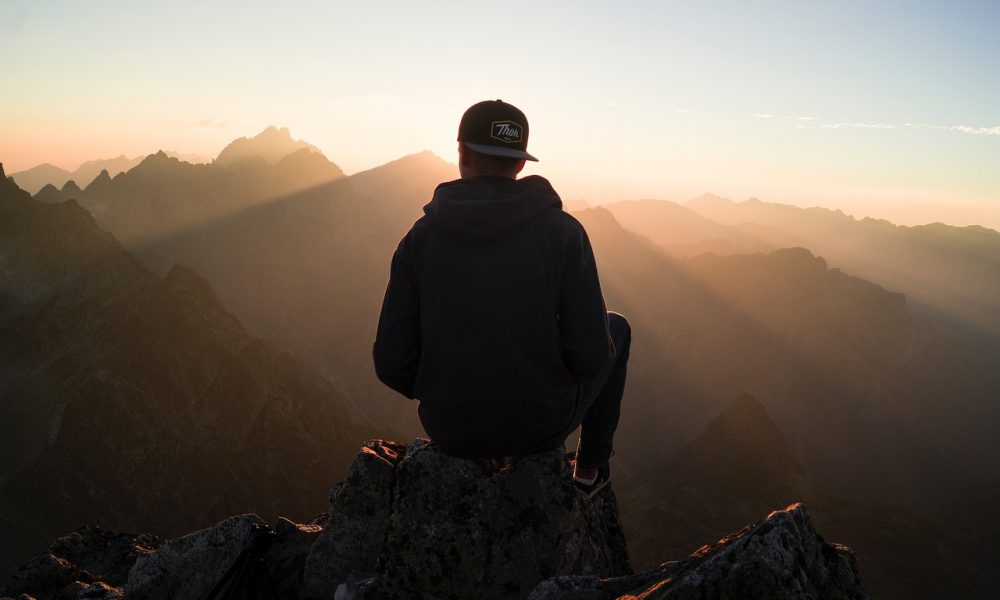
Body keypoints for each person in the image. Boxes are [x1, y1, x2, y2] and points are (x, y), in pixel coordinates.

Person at [373, 99, 630, 496]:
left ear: (462, 152)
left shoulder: (419, 240)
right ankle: (589, 472)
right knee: (617, 327)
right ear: (522, 164)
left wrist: (450, 391)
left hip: (449, 427)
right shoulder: (564, 235)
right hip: (539, 427)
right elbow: (592, 356)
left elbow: (392, 363)